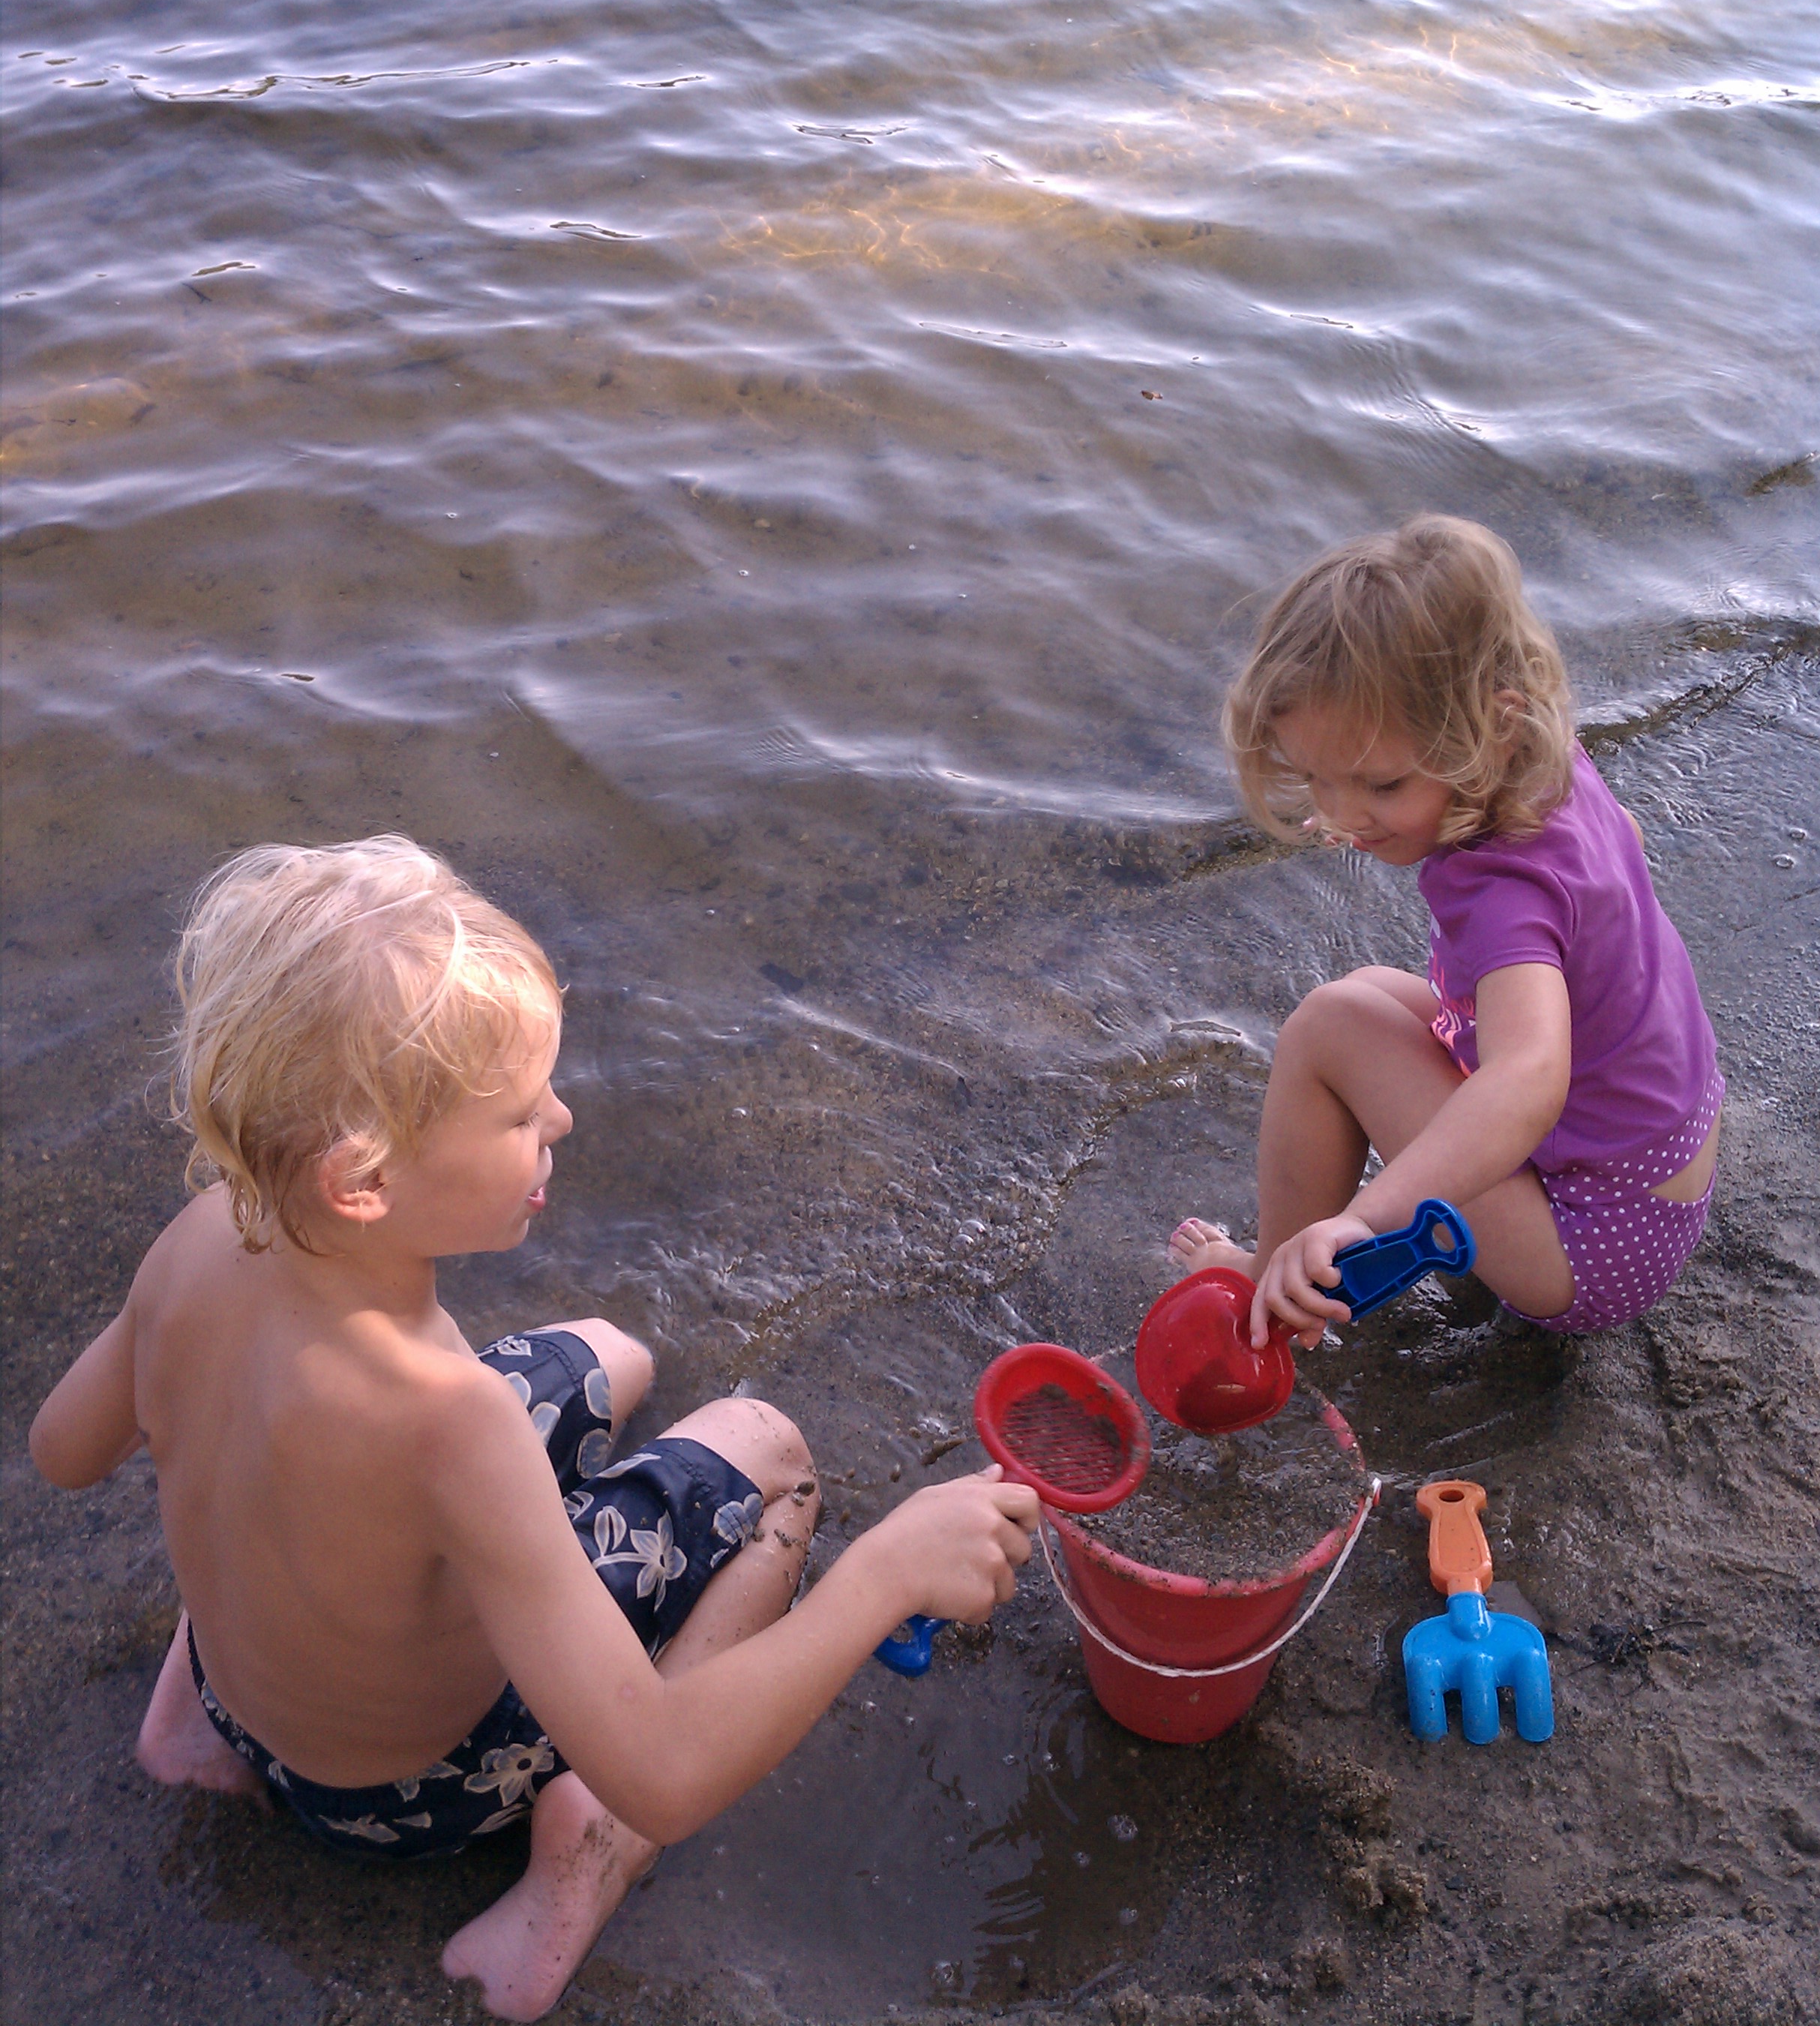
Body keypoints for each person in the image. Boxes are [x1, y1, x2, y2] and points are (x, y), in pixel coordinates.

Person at [28, 836, 1037, 2024]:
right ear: (364, 1181)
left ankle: (197, 1728)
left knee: (611, 1352)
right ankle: (586, 1848)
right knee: (770, 1453)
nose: (560, 1116)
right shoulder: (452, 1425)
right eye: (518, 1116)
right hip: (408, 1797)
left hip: (245, 1699)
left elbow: (64, 1451)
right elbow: (664, 1769)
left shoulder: (205, 1236)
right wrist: (882, 1576)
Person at [1170, 515, 1723, 1350]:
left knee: (1331, 1026)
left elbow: (1531, 1077)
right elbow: (1628, 852)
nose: (1344, 814)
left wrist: (1368, 1218)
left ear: (1488, 729)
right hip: (1656, 1173)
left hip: (1591, 1246)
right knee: (1371, 994)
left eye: (1381, 784)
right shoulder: (1547, 767)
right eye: (1319, 780)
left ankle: (1278, 1284)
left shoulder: (1502, 887)